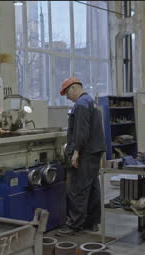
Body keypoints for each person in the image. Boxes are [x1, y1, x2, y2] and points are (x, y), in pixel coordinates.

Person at [57, 77, 106, 236]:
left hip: (85, 152)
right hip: (94, 151)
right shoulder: (90, 101)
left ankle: (74, 225)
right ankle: (92, 222)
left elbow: (81, 131)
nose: (67, 98)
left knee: (77, 189)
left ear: (74, 88)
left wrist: (76, 152)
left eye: (67, 93)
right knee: (92, 187)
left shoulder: (80, 105)